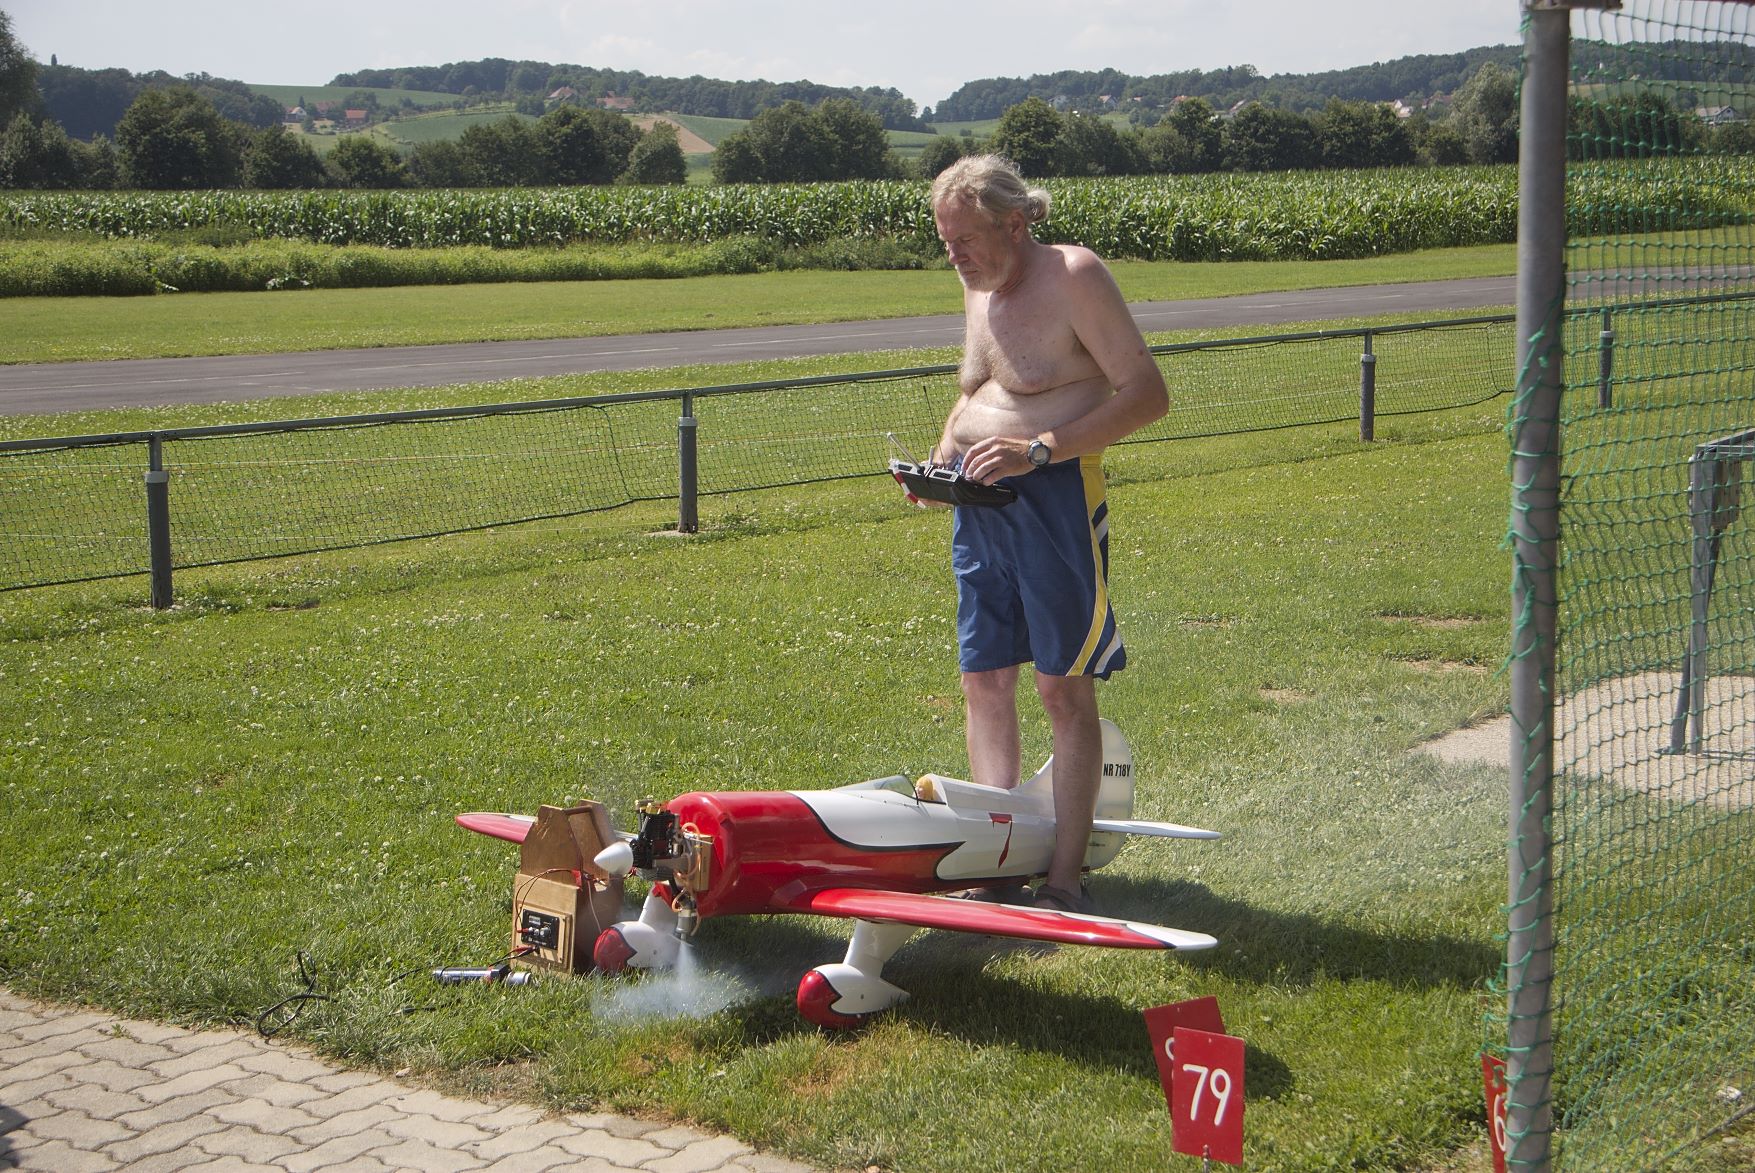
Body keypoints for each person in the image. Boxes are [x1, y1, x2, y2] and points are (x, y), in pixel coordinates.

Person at [924, 154, 1168, 913]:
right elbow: (975, 387)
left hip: (1056, 497)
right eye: (945, 241)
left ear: (1015, 223)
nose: (954, 256)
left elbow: (1148, 394)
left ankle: (1064, 879)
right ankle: (995, 860)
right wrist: (943, 454)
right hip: (977, 505)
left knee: (1061, 686)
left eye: (965, 239)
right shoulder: (978, 283)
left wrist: (1040, 450)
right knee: (984, 677)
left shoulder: (1074, 275)